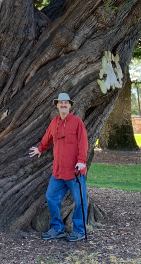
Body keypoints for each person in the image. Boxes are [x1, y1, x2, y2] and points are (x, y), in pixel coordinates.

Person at [29, 92, 88, 242]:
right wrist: (40, 149)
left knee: (81, 201)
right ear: (57, 105)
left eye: (66, 103)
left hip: (75, 171)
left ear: (69, 105)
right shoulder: (54, 122)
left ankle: (79, 231)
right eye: (60, 103)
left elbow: (83, 143)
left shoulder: (77, 122)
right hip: (58, 171)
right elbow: (47, 137)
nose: (63, 105)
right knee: (51, 197)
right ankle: (57, 228)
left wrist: (81, 160)